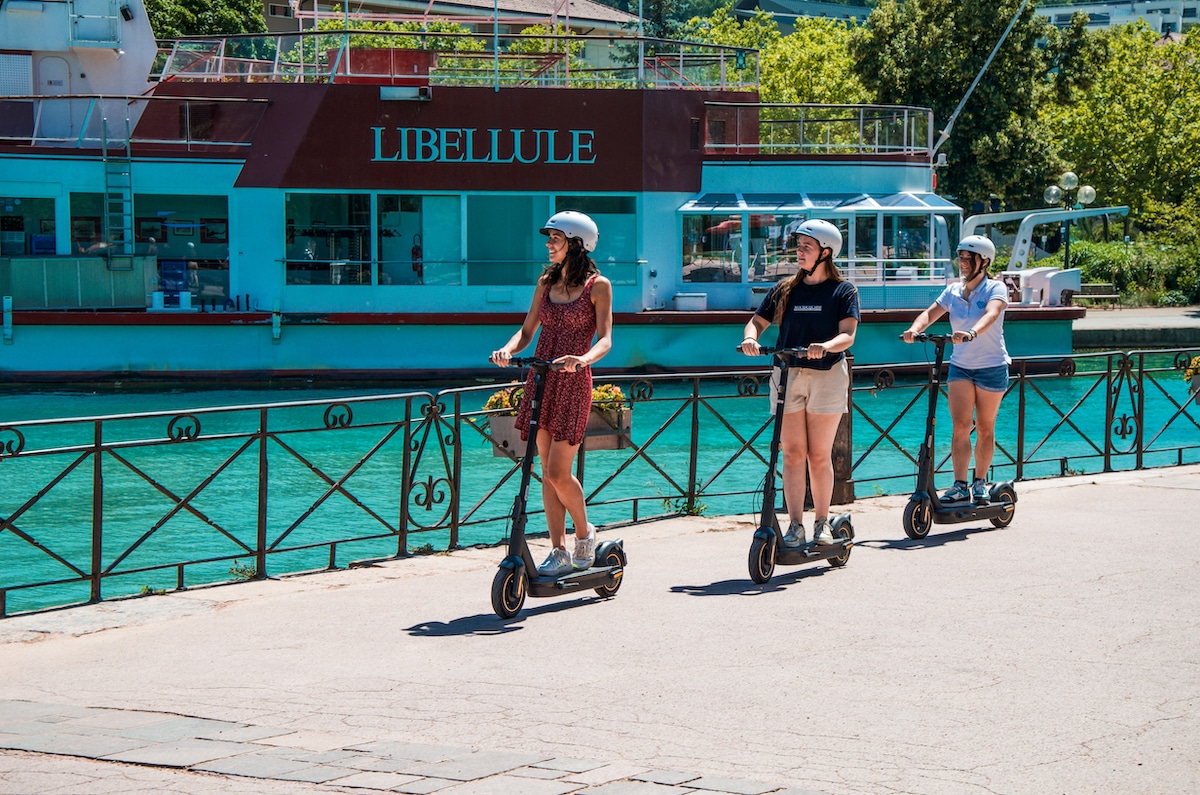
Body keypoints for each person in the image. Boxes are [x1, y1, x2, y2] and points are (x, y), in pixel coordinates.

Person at [490, 211, 614, 577]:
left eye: (555, 238)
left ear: (576, 243)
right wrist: (508, 350)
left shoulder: (598, 286)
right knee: (545, 472)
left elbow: (606, 338)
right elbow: (527, 331)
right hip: (541, 378)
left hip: (573, 380)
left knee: (560, 471)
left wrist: (583, 358)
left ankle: (585, 534)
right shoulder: (545, 282)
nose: (549, 244)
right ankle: (557, 549)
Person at [740, 219, 859, 547]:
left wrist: (826, 346)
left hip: (826, 376)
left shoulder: (842, 291)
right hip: (787, 374)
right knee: (792, 453)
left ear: (826, 252)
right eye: (799, 246)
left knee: (819, 454)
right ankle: (795, 525)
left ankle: (822, 522)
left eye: (807, 247)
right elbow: (757, 322)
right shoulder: (785, 289)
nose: (799, 252)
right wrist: (751, 339)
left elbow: (848, 334)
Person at [902, 234, 1010, 505]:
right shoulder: (952, 291)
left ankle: (980, 482)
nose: (961, 262)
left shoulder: (995, 288)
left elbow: (992, 314)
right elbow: (930, 313)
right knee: (961, 425)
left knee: (985, 427)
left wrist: (972, 332)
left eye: (967, 258)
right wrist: (915, 329)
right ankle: (960, 484)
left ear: (983, 262)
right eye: (960, 257)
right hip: (961, 366)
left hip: (991, 366)